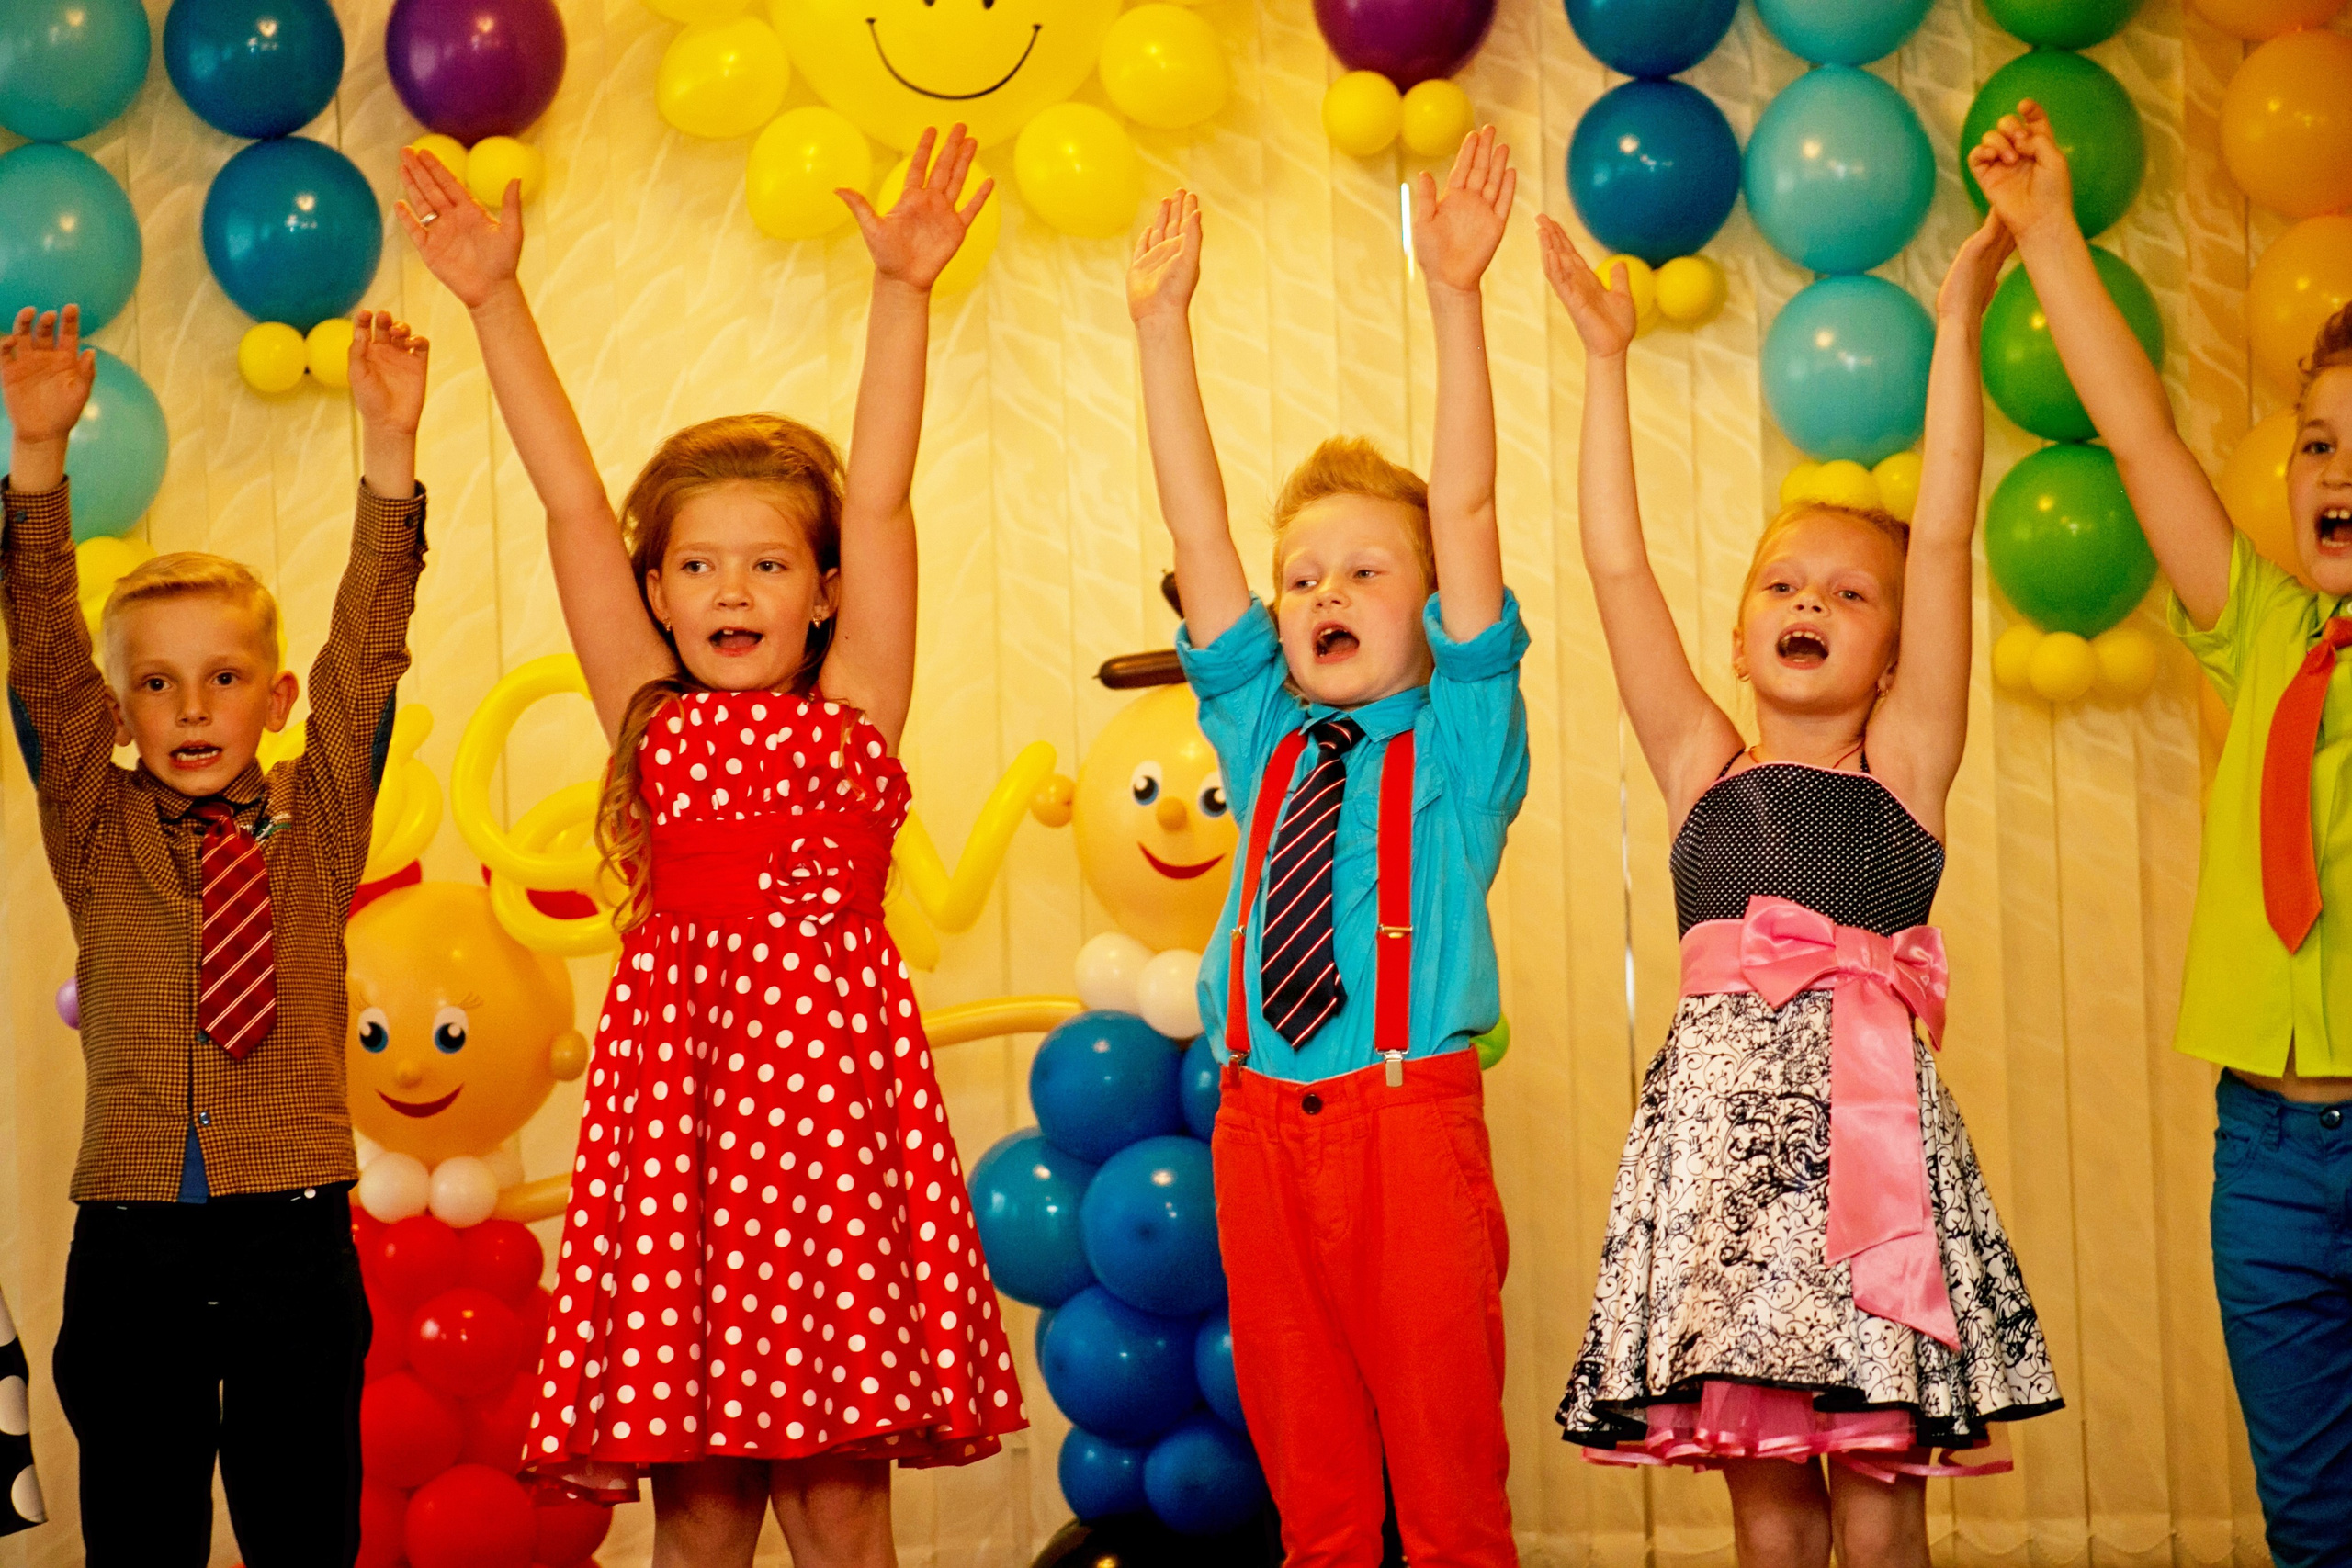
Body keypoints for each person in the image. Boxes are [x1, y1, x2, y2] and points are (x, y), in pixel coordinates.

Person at [398, 128, 1023, 1566]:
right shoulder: (650, 719)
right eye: (695, 565)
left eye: (767, 563)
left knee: (841, 1505)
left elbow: (879, 495)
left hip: (826, 1148)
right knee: (700, 1509)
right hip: (686, 1140)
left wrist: (906, 295)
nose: (729, 589)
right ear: (659, 597)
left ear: (822, 596)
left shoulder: (858, 706)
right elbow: (569, 505)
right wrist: (496, 300)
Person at [1544, 206, 2062, 1568]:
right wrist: (1606, 364)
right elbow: (1613, 567)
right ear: (1740, 627)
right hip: (1725, 1189)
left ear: (1893, 651)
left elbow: (1943, 540)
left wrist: (1958, 323)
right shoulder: (1696, 765)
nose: (1812, 603)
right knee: (1769, 1522)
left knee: (1882, 1519)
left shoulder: (1906, 767)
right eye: (1785, 582)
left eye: (1851, 594)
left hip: (1871, 1176)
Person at [1128, 128, 1529, 1567]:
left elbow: (1469, 512)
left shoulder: (1467, 733)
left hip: (1408, 1129)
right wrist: (1160, 328)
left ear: (1432, 607)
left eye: (1368, 569)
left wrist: (1457, 299)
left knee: (1446, 1488)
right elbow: (1200, 524)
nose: (1324, 591)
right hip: (1255, 1128)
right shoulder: (1262, 729)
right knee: (1315, 1495)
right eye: (1306, 578)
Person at [1973, 99, 2352, 1568]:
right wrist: (2052, 234)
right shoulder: (2265, 631)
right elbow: (2136, 432)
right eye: (2318, 442)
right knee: (2315, 1521)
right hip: (2262, 1149)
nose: (2333, 471)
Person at [2, 303, 432, 1565]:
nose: (193, 707)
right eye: (156, 682)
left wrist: (389, 443)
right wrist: (37, 459)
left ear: (278, 697)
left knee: (304, 1526)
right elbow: (40, 656)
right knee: (140, 1530)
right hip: (131, 1239)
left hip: (294, 1235)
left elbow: (370, 646)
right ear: (123, 711)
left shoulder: (321, 811)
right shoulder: (95, 822)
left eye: (226, 676)